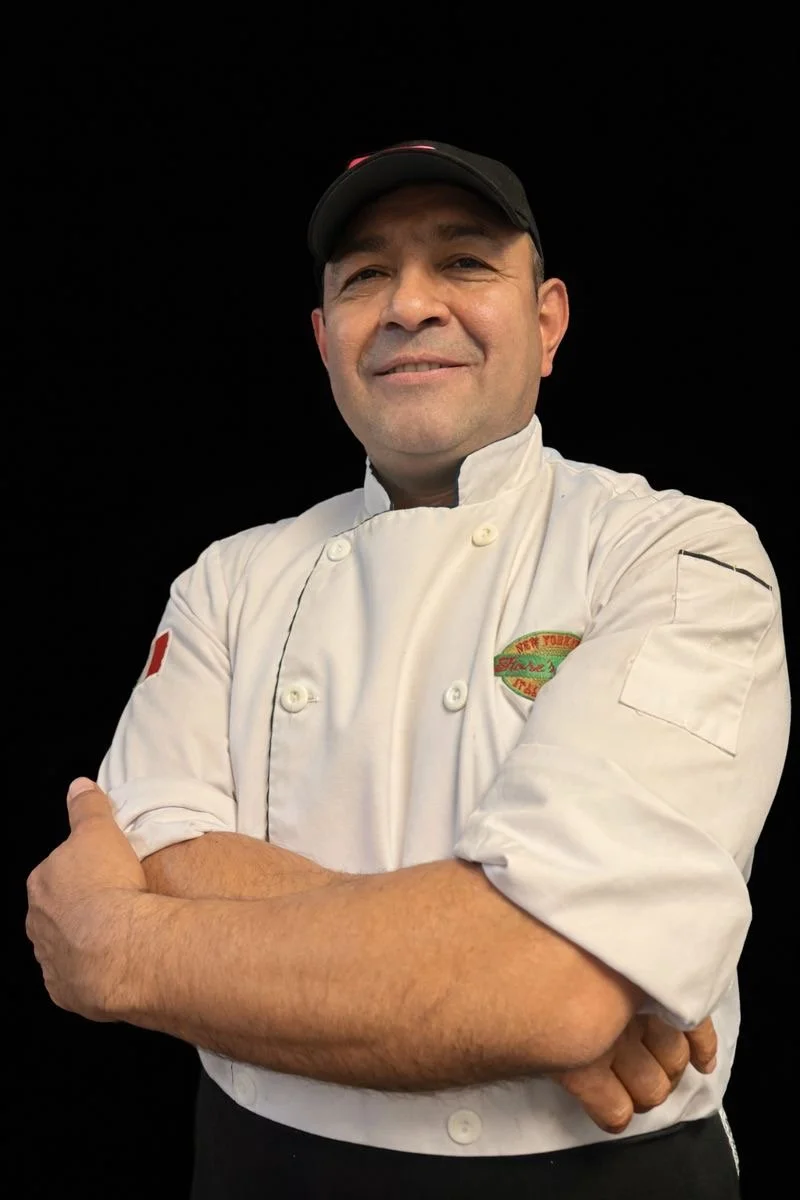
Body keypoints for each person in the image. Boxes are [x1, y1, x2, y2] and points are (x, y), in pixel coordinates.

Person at [26, 140, 789, 1199]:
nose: (408, 305)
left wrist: (122, 951)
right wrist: (491, 974)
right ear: (323, 336)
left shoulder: (675, 552)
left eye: (465, 263)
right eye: (364, 276)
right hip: (262, 1163)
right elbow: (153, 843)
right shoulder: (228, 578)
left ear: (547, 320)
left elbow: (548, 994)